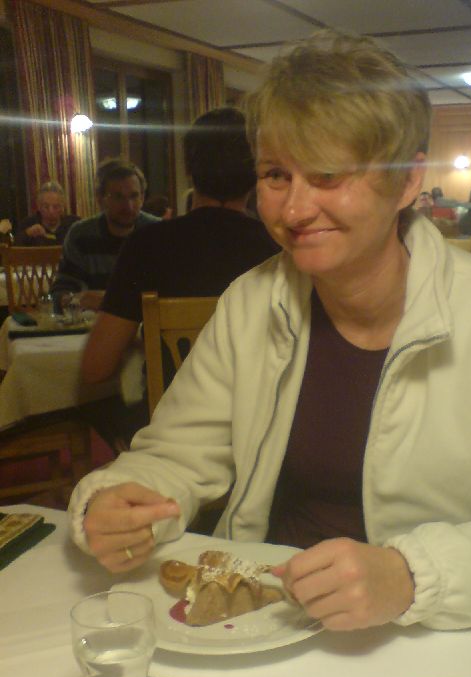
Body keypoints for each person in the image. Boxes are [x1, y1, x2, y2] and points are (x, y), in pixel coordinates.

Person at [68, 31, 471, 633]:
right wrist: (120, 498)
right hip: (268, 619)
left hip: (424, 633)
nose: (294, 211)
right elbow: (177, 455)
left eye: (327, 174)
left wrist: (410, 576)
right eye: (276, 174)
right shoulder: (250, 302)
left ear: (407, 181)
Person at [79, 107, 279, 436]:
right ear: (256, 171)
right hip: (261, 428)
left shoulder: (146, 245)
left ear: (188, 169)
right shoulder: (279, 249)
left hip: (171, 429)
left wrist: (143, 340)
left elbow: (95, 369)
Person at [50, 159, 158, 312]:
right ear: (100, 199)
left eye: (134, 196)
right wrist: (76, 299)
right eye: (118, 197)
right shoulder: (81, 236)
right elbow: (60, 293)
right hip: (96, 323)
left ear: (143, 197)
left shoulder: (157, 232)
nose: (128, 206)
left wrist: (111, 300)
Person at [13, 181, 79, 246]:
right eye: (46, 207)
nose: (51, 211)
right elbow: (13, 247)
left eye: (56, 207)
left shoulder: (73, 224)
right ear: (39, 207)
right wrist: (27, 234)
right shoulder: (28, 224)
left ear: (63, 207)